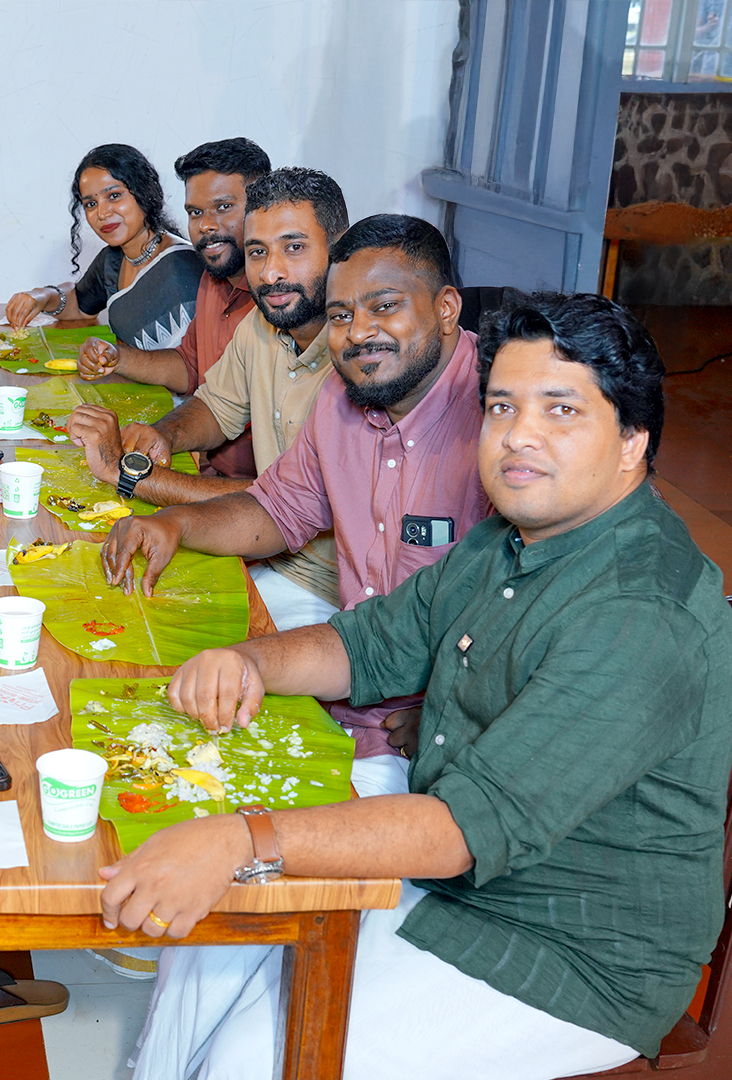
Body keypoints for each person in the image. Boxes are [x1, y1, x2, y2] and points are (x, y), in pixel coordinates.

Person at [110, 291, 731, 1080]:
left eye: (561, 410)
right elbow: (370, 644)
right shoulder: (508, 541)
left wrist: (243, 837)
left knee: (256, 1055)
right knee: (211, 938)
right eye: (502, 407)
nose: (520, 435)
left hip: (567, 951)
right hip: (456, 879)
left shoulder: (639, 611)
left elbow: (467, 827)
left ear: (632, 441)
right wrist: (249, 661)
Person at [102, 215, 493, 781]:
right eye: (341, 315)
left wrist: (454, 715)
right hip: (348, 686)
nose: (358, 333)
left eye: (385, 307)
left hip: (430, 741)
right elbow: (278, 509)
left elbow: (542, 612)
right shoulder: (344, 392)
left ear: (447, 308)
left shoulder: (500, 418)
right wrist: (177, 523)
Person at [72, 168, 349, 631]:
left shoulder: (358, 361)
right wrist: (165, 434)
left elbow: (278, 504)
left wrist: (129, 474)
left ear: (339, 248)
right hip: (262, 559)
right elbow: (216, 406)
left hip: (323, 592)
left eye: (294, 248)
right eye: (258, 252)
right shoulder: (264, 325)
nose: (271, 272)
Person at [72, 138, 270, 475]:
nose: (206, 225)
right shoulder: (213, 279)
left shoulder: (278, 300)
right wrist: (119, 358)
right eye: (195, 212)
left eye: (223, 207)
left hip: (248, 487)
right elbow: (189, 367)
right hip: (208, 468)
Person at [3, 144, 204, 362]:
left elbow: (193, 365)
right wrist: (41, 297)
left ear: (144, 192)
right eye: (91, 203)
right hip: (126, 377)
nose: (102, 213)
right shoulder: (113, 259)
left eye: (114, 196)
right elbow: (78, 305)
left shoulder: (182, 266)